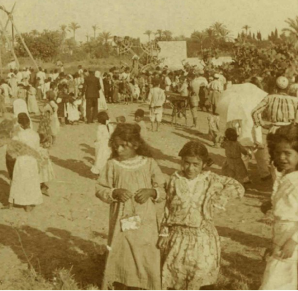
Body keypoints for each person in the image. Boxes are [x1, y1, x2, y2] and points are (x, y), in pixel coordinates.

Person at [159, 141, 245, 291]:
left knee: (201, 277)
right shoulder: (175, 179)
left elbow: (238, 187)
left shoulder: (210, 179)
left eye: (195, 164)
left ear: (203, 164)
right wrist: (164, 232)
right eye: (187, 163)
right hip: (178, 237)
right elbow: (167, 208)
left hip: (203, 238)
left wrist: (221, 195)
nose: (190, 168)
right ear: (181, 161)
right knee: (175, 278)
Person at [96, 123, 165, 291]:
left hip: (146, 222)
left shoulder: (149, 164)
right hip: (122, 221)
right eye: (116, 145)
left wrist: (152, 192)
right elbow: (100, 188)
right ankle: (122, 285)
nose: (119, 149)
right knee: (123, 254)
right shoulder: (112, 165)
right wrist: (115, 192)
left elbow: (164, 190)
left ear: (135, 145)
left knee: (146, 253)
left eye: (123, 146)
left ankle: (145, 286)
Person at [260, 124, 298, 290]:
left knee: (276, 280)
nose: (282, 157)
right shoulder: (286, 177)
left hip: (292, 236)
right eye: (278, 153)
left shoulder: (295, 181)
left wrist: (294, 240)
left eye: (287, 153)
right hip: (282, 234)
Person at [252, 76, 298, 182]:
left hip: (274, 130)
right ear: (288, 88)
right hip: (291, 131)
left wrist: (262, 124)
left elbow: (255, 112)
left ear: (275, 87)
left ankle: (276, 185)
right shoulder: (295, 100)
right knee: (290, 157)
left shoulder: (270, 98)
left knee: (275, 158)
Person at [7, 113, 43, 211]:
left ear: (20, 124)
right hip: (32, 160)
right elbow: (37, 149)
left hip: (21, 160)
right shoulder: (35, 135)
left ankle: (12, 202)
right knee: (30, 182)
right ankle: (28, 205)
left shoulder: (19, 135)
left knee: (18, 181)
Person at [91, 111, 113, 175]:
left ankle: (100, 172)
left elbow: (98, 138)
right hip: (108, 145)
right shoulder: (110, 126)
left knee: (100, 158)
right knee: (106, 157)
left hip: (101, 145)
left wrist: (96, 141)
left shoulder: (100, 127)